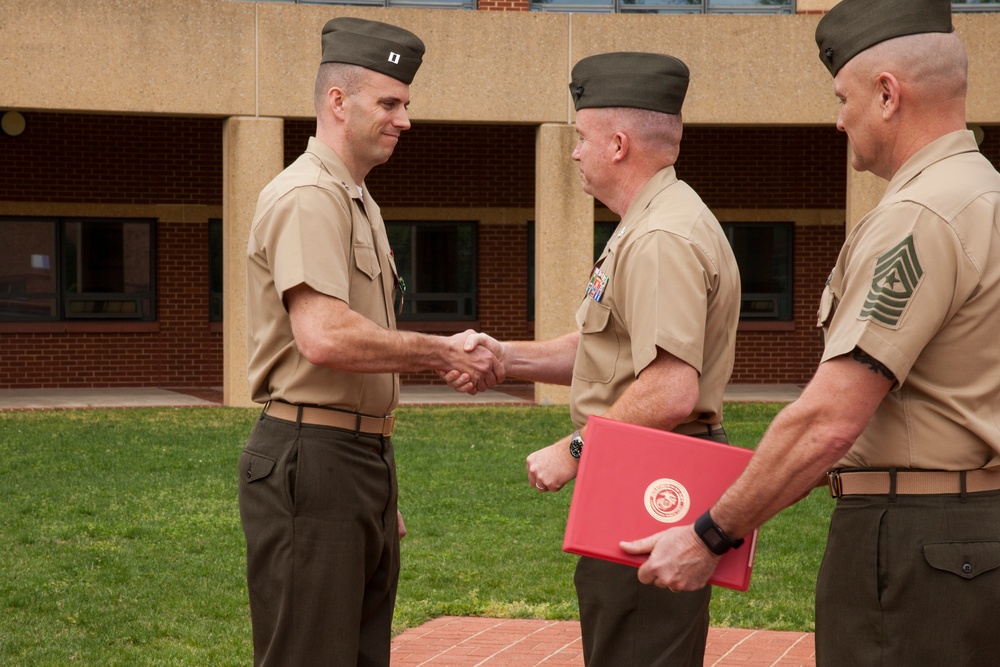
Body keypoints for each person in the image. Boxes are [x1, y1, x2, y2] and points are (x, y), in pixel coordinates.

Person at [620, 1, 1000, 664]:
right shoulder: (984, 193)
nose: (838, 118)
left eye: (842, 96)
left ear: (887, 94)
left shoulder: (920, 214)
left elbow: (828, 419)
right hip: (973, 538)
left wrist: (710, 533)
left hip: (917, 548)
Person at [450, 52, 741, 666]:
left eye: (580, 138)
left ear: (617, 143)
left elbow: (669, 388)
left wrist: (579, 447)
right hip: (645, 472)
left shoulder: (662, 238)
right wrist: (507, 359)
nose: (574, 153)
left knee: (633, 646)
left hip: (649, 480)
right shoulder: (653, 221)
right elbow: (605, 350)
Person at [237, 17, 501, 667]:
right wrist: (443, 353)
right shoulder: (307, 195)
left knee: (357, 652)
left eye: (405, 104)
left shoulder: (356, 199)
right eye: (390, 102)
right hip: (313, 456)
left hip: (353, 457)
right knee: (312, 652)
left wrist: (378, 488)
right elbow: (325, 337)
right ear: (337, 102)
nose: (404, 119)